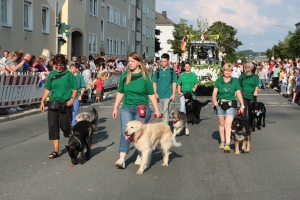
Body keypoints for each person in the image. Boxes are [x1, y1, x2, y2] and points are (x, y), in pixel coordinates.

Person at [112, 52, 161, 169]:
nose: (130, 63)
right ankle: (122, 159)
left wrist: (157, 109)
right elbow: (120, 93)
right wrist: (115, 108)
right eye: (129, 61)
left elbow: (151, 94)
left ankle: (140, 155)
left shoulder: (145, 77)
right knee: (126, 133)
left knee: (139, 134)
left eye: (133, 61)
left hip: (142, 109)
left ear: (139, 62)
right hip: (127, 108)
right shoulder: (124, 76)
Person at [40, 54, 78, 159]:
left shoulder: (68, 74)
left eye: (60, 65)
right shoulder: (52, 74)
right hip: (53, 103)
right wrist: (42, 101)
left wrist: (71, 99)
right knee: (53, 126)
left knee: (65, 127)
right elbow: (47, 88)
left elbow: (75, 88)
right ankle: (56, 151)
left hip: (65, 105)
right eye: (56, 65)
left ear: (64, 65)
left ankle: (74, 139)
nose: (58, 67)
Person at [212, 63, 245, 152]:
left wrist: (242, 105)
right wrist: (215, 101)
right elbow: (214, 93)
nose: (227, 72)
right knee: (221, 123)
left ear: (231, 72)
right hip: (220, 104)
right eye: (226, 70)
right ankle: (222, 141)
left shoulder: (234, 82)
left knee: (228, 124)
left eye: (229, 71)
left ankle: (227, 143)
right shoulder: (218, 81)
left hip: (231, 105)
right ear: (223, 71)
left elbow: (238, 93)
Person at [152, 53, 177, 124]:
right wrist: (155, 93)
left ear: (168, 61)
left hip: (168, 95)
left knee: (165, 114)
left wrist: (173, 94)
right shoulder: (157, 71)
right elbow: (154, 82)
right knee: (162, 114)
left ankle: (165, 132)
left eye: (164, 61)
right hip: (159, 96)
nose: (163, 63)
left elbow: (174, 82)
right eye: (162, 61)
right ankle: (166, 130)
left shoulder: (171, 71)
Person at [70, 62, 86, 128]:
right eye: (71, 68)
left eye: (73, 68)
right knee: (69, 111)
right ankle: (70, 123)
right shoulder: (69, 76)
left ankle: (73, 125)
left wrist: (81, 95)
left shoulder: (80, 76)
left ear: (76, 69)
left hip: (77, 95)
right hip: (69, 96)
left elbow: (83, 87)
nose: (71, 69)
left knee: (75, 111)